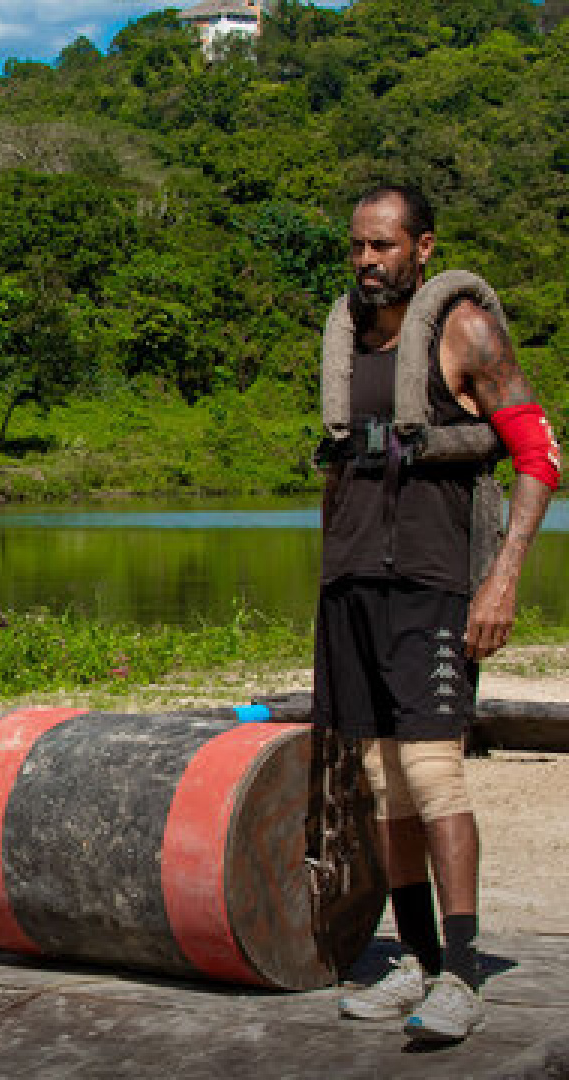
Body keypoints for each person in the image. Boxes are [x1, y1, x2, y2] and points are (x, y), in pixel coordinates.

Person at [316, 185, 557, 1042]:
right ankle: (415, 960)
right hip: (353, 582)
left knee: (433, 773)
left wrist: (502, 578)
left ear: (422, 248)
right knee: (383, 780)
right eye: (357, 246)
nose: (367, 261)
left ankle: (461, 973)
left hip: (434, 581)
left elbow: (540, 457)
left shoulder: (466, 331)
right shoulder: (350, 340)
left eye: (382, 245)